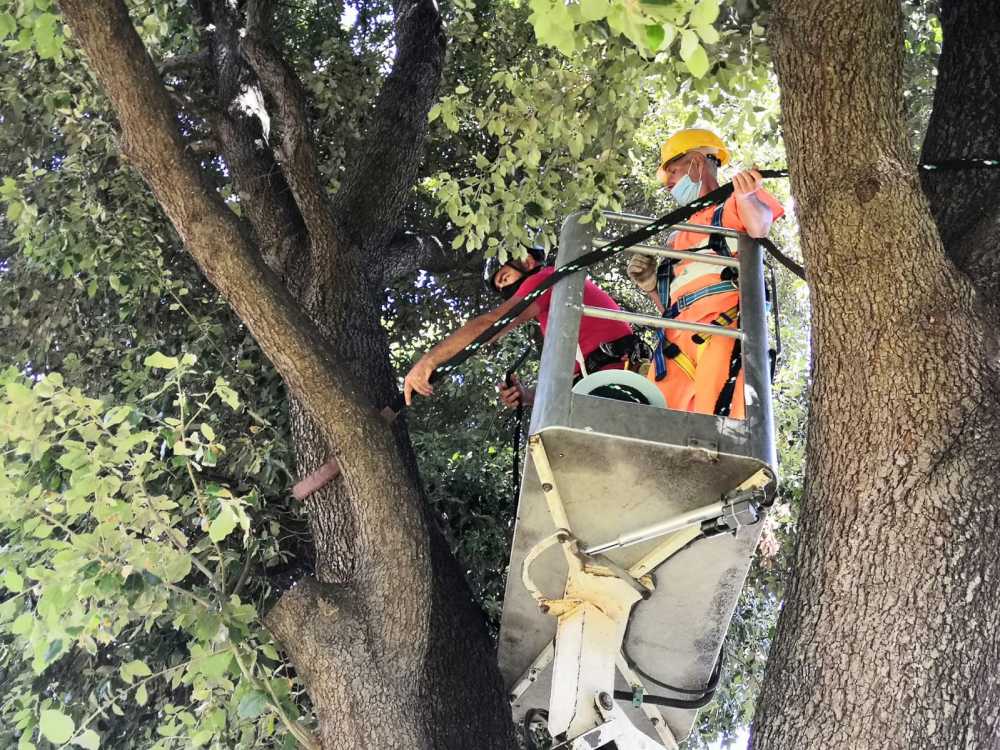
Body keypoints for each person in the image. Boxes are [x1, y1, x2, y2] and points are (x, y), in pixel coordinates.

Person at [626, 128, 785, 419]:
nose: (669, 184)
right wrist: (651, 285)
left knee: (717, 424)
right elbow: (672, 307)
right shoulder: (676, 237)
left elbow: (760, 225)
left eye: (673, 172)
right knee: (661, 427)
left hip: (720, 330)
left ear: (697, 163)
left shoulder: (730, 206)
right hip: (674, 344)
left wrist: (748, 196)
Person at [403, 246, 645, 407]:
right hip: (607, 383)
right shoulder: (559, 309)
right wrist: (528, 396)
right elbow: (577, 375)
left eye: (504, 278)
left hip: (612, 384)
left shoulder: (546, 280)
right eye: (500, 290)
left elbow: (491, 324)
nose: (505, 291)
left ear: (527, 262)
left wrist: (430, 360)